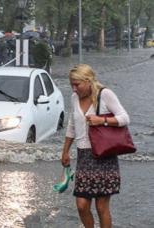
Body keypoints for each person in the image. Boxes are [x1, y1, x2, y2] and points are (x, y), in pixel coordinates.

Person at [61, 64, 130, 228]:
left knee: (101, 207)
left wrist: (102, 120)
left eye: (77, 84)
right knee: (81, 205)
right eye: (72, 84)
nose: (74, 88)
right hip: (84, 157)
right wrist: (65, 151)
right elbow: (71, 124)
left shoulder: (105, 94)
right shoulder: (74, 97)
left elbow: (125, 118)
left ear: (88, 81)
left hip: (104, 156)